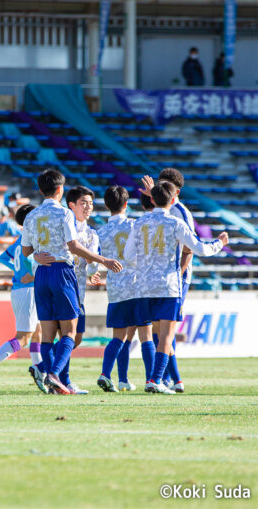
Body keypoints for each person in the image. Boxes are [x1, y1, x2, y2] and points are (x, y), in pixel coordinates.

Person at [20, 169, 121, 395]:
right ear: (60, 189)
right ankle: (54, 374)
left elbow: (26, 250)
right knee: (69, 333)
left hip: (42, 274)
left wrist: (37, 255)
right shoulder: (64, 213)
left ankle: (55, 382)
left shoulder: (31, 215)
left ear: (41, 190)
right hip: (62, 272)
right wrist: (103, 260)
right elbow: (73, 246)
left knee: (48, 334)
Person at [123, 181, 227, 394]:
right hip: (168, 286)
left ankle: (159, 379)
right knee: (166, 335)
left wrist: (144, 266)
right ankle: (156, 379)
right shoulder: (176, 223)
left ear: (152, 199)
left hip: (144, 287)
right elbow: (200, 249)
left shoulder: (139, 222)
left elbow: (128, 255)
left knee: (153, 333)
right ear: (172, 200)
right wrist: (219, 243)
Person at [36, 186, 100, 395]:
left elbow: (92, 265)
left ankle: (44, 369)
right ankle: (60, 378)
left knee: (74, 337)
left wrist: (93, 271)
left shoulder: (92, 234)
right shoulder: (63, 222)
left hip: (76, 288)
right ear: (71, 205)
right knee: (66, 335)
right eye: (83, 203)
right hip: (62, 284)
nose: (88, 207)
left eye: (91, 203)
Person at [141, 168, 195, 392]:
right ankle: (173, 379)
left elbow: (189, 248)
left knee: (165, 328)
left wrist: (178, 274)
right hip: (162, 278)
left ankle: (166, 378)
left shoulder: (180, 213)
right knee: (159, 328)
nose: (160, 189)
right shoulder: (163, 210)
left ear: (177, 192)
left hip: (176, 278)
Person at [96, 186, 154, 393]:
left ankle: (110, 375)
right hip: (138, 285)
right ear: (127, 204)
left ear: (106, 205)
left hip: (116, 288)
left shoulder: (101, 232)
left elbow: (95, 259)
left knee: (119, 337)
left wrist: (94, 273)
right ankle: (151, 380)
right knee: (146, 335)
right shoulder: (135, 225)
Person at [0, 204, 43, 387]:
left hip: (22, 289)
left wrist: (17, 270)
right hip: (28, 290)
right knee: (23, 337)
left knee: (38, 332)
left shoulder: (21, 239)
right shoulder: (32, 239)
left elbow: (3, 258)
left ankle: (39, 370)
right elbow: (31, 261)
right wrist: (29, 273)